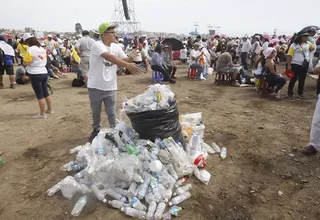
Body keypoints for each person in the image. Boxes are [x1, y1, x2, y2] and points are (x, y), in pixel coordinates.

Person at [87, 22, 143, 142]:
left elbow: (124, 59)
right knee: (96, 112)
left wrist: (131, 57)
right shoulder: (97, 45)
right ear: (104, 34)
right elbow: (109, 57)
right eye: (112, 33)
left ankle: (114, 131)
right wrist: (127, 65)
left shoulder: (116, 47)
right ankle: (96, 130)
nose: (115, 35)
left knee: (111, 112)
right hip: (95, 86)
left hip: (110, 86)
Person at [23, 33, 53, 119]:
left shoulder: (30, 49)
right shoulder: (41, 48)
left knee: (39, 94)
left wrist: (24, 64)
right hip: (43, 71)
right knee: (45, 92)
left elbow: (27, 62)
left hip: (35, 73)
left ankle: (42, 114)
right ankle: (50, 109)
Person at [286, 32, 315, 98]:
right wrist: (289, 65)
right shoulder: (294, 45)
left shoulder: (308, 44)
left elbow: (312, 48)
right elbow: (289, 55)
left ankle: (300, 93)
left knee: (302, 79)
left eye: (307, 36)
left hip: (305, 64)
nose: (306, 37)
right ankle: (290, 93)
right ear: (300, 37)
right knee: (293, 79)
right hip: (295, 64)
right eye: (304, 36)